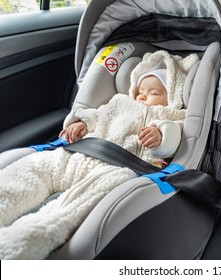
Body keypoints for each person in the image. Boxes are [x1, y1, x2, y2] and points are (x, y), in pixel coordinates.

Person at [0, 50, 199, 259]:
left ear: (172, 96)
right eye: (141, 90)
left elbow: (175, 136)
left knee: (78, 203)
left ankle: (24, 240)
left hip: (122, 168)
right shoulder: (120, 102)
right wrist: (81, 123)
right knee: (38, 166)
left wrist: (161, 134)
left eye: (153, 93)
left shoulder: (171, 115)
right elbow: (97, 114)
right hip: (82, 153)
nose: (142, 95)